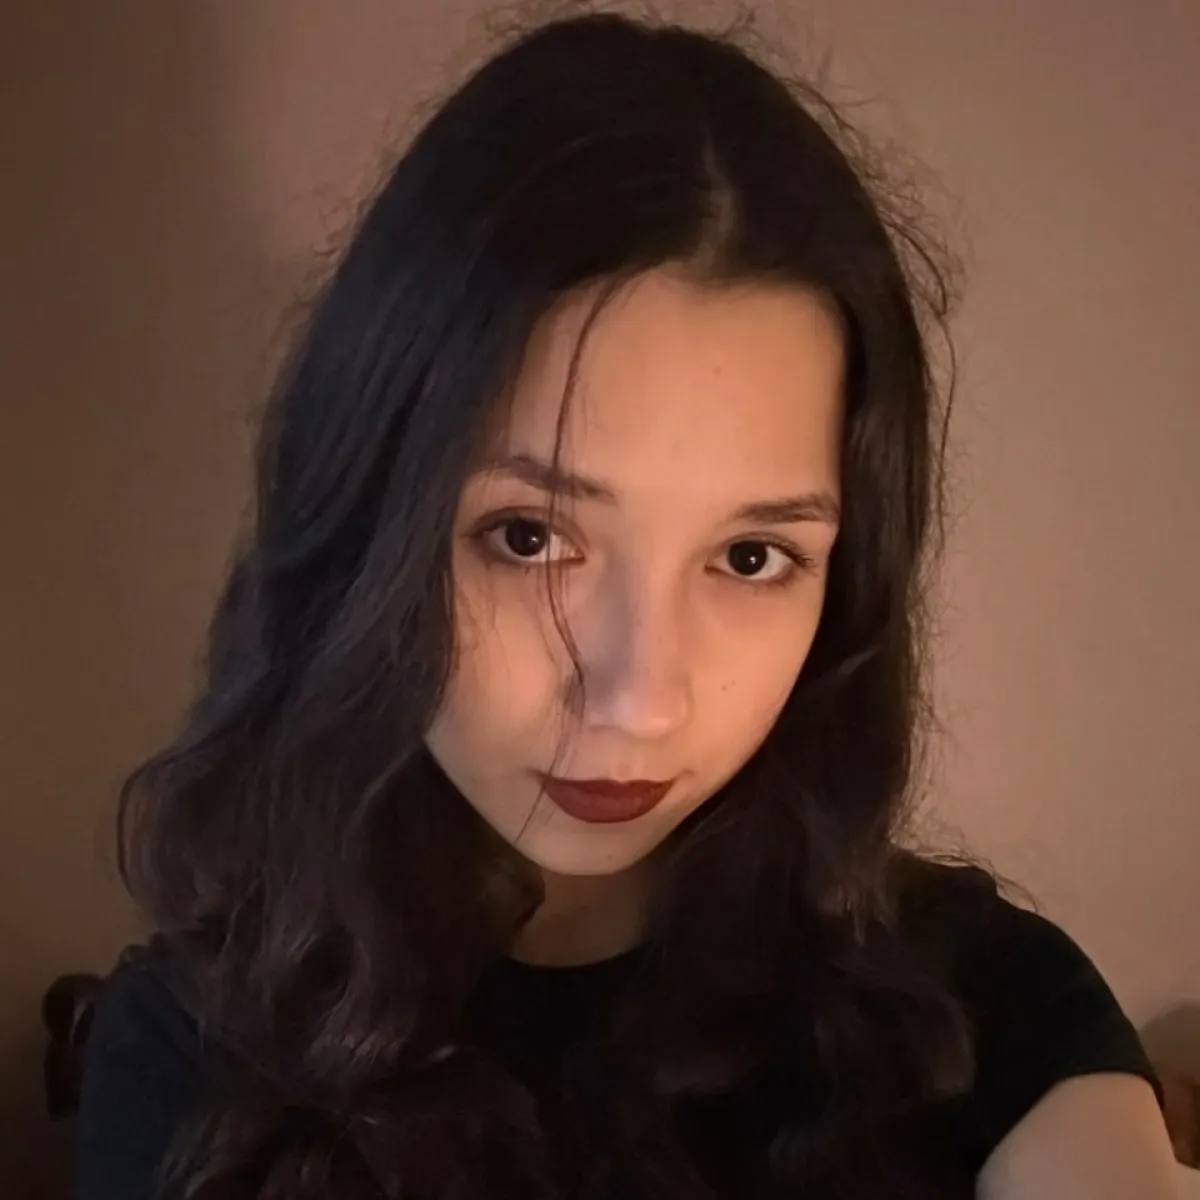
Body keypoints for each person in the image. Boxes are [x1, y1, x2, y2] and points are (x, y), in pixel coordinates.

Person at [71, 10, 1180, 1200]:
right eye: (529, 537)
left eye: (752, 556)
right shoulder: (194, 1057)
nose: (642, 701)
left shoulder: (981, 1015)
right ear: (368, 522)